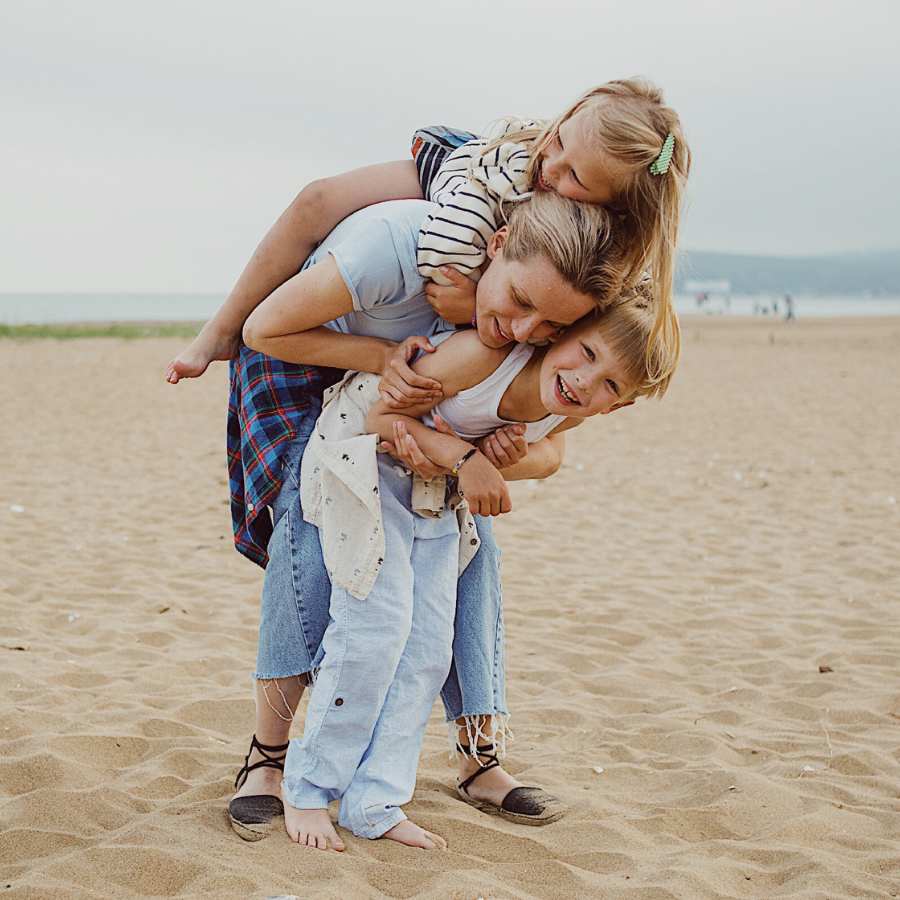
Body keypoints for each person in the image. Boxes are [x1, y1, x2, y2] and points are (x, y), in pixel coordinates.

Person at [276, 279, 673, 851]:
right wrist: (466, 459)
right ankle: (311, 790)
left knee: (430, 647)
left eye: (610, 383)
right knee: (376, 627)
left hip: (434, 490)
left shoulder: (571, 409)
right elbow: (381, 419)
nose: (585, 380)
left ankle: (375, 800)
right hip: (367, 465)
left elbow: (551, 455)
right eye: (586, 353)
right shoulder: (484, 357)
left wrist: (499, 461)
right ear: (564, 332)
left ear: (622, 404)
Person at [166, 77, 689, 386]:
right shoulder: (531, 156)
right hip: (466, 173)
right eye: (560, 138)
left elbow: (546, 317)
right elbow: (459, 243)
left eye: (575, 177)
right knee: (318, 198)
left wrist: (469, 308)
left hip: (489, 263)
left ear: (616, 207)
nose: (550, 166)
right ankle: (219, 328)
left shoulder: (597, 255)